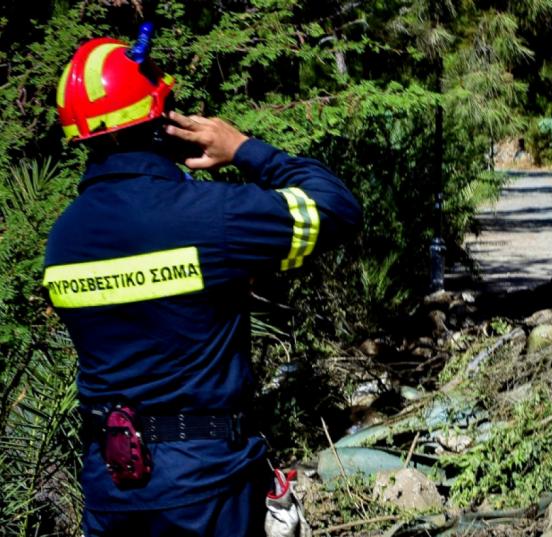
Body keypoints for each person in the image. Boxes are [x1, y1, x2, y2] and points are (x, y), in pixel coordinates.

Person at [43, 26, 361, 536]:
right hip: (206, 491)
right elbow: (337, 208)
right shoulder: (210, 219)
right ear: (159, 123)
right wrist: (245, 149)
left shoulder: (63, 241)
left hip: (111, 490)